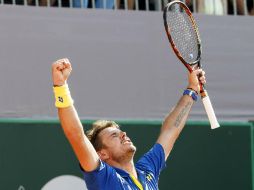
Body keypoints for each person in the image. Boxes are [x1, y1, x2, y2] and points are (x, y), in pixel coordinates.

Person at [51, 58, 206, 190]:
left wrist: (192, 89)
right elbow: (76, 136)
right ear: (102, 154)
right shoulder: (104, 178)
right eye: (114, 135)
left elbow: (170, 131)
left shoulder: (147, 170)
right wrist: (60, 87)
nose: (123, 134)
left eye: (120, 132)